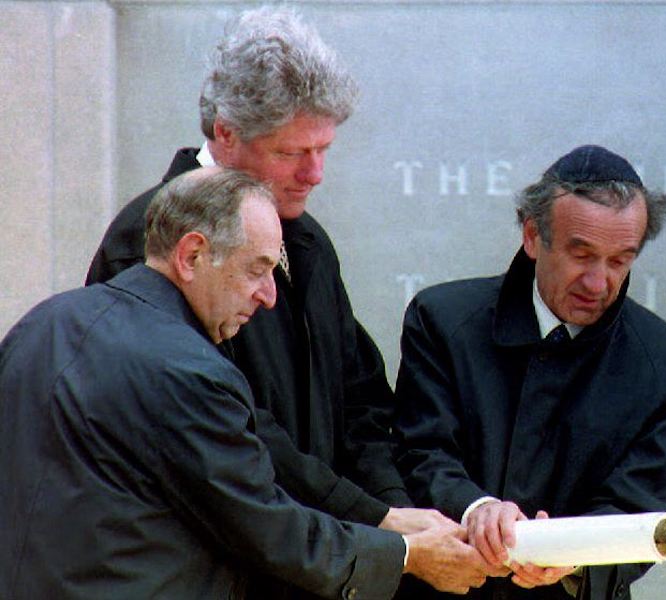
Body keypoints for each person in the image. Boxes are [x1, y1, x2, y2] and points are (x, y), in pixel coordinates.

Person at [84, 9, 448, 596]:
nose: (315, 173)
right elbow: (229, 433)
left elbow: (361, 404)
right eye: (291, 153)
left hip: (313, 565)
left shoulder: (306, 239)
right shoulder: (146, 242)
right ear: (225, 132)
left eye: (324, 148)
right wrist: (381, 526)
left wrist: (399, 516)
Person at [0, 168, 490, 599]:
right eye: (257, 269)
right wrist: (407, 555)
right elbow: (274, 531)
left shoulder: (41, 323)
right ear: (192, 255)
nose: (269, 296)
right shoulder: (192, 371)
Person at [394, 145, 666, 600]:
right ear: (532, 235)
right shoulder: (442, 320)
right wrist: (476, 509)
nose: (598, 283)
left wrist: (572, 555)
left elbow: (638, 506)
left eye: (620, 260)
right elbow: (420, 452)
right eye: (581, 255)